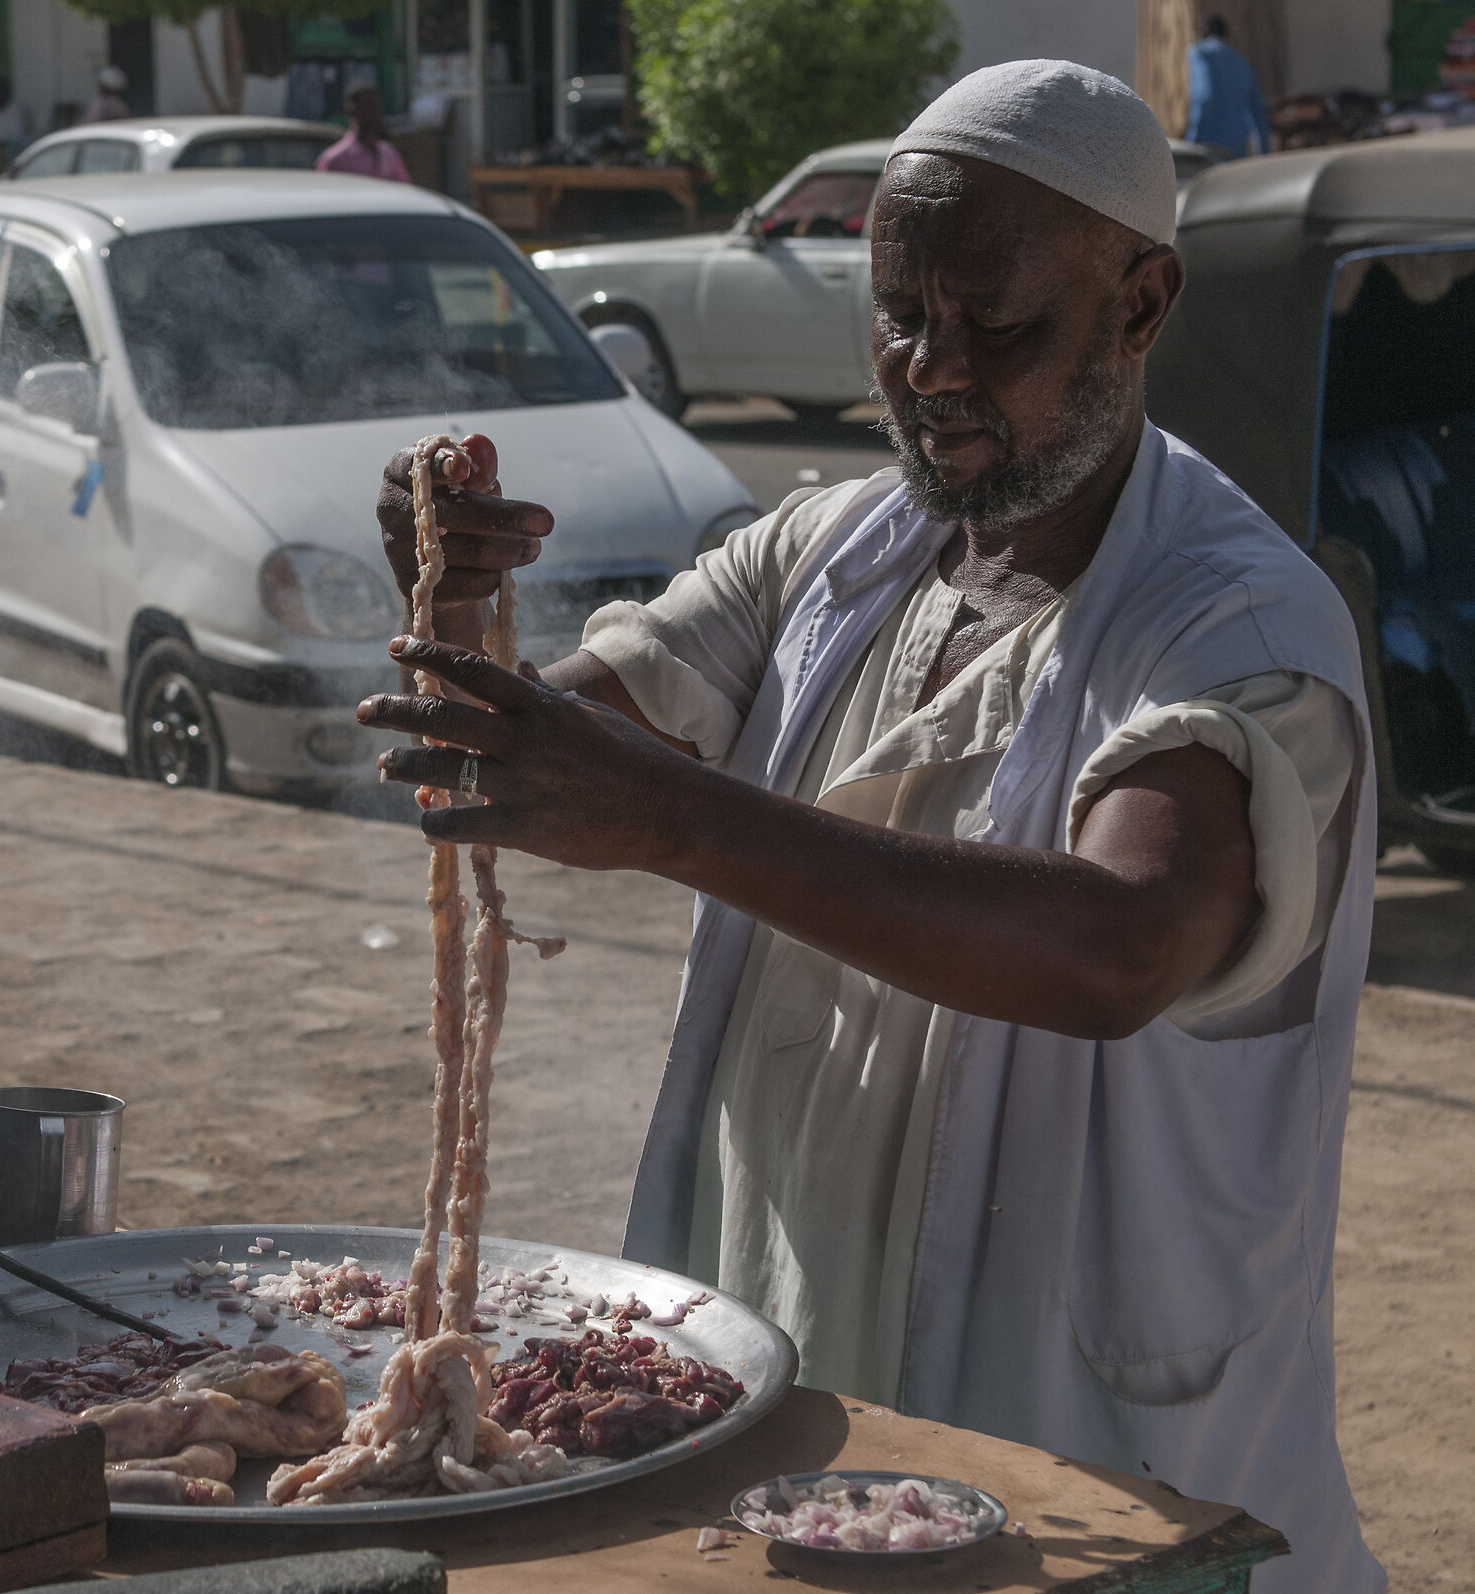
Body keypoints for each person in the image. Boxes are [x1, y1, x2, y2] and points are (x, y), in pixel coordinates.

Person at [358, 60, 1377, 1594]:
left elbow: (1118, 945)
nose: (931, 367)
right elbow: (507, 765)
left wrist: (682, 820)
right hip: (817, 1414)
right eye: (898, 313)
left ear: (1144, 304)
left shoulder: (1235, 620)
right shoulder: (834, 551)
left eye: (999, 324)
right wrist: (451, 595)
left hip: (1108, 1479)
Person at [1186, 14, 1275, 158]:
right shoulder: (1242, 62)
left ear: (1204, 31)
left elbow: (1204, 95)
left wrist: (1192, 137)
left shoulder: (1200, 53)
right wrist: (1263, 152)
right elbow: (1257, 112)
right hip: (1237, 145)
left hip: (1208, 142)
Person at [315, 85, 411, 183]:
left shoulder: (389, 153)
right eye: (368, 109)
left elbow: (404, 188)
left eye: (377, 108)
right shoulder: (335, 160)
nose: (374, 115)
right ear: (352, 111)